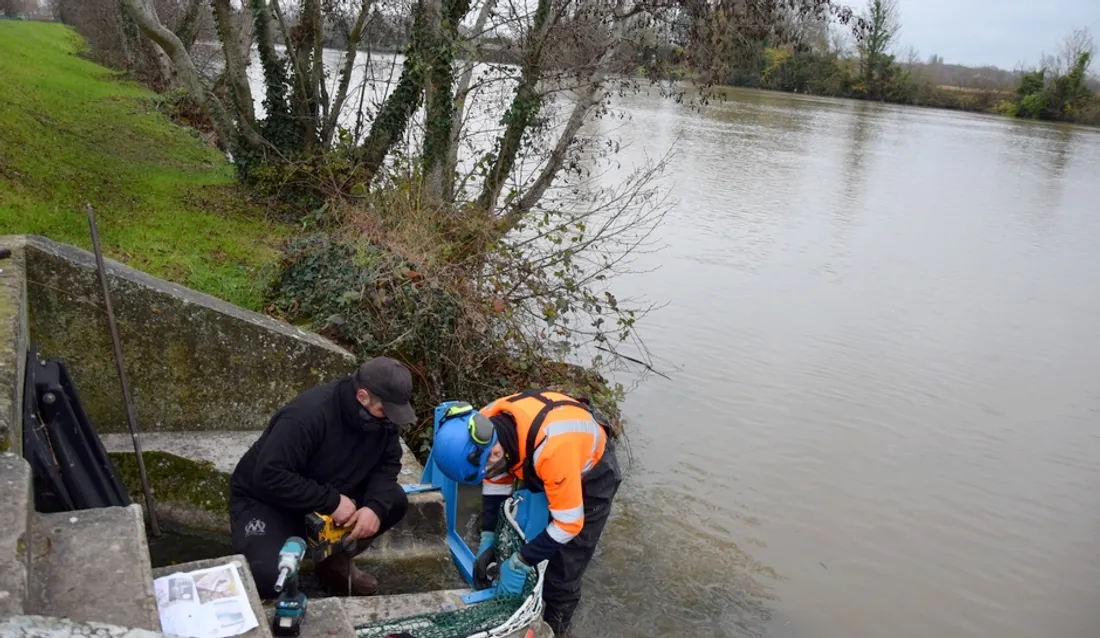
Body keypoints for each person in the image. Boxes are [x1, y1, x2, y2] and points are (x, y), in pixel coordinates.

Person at [431, 389, 622, 636]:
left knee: (566, 566)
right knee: (533, 535)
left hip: (592, 473)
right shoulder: (487, 423)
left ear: (496, 453)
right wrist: (488, 536)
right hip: (541, 454)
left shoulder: (552, 451)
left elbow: (569, 524)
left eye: (485, 472)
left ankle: (556, 627)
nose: (487, 477)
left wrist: (521, 562)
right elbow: (496, 479)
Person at [228, 356, 417, 599]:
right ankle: (284, 556)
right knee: (269, 578)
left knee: (394, 500)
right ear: (362, 396)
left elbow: (387, 464)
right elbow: (269, 476)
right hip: (269, 501)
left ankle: (334, 563)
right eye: (385, 411)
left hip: (330, 490)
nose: (391, 418)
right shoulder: (306, 416)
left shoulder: (385, 420)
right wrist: (331, 501)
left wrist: (375, 508)